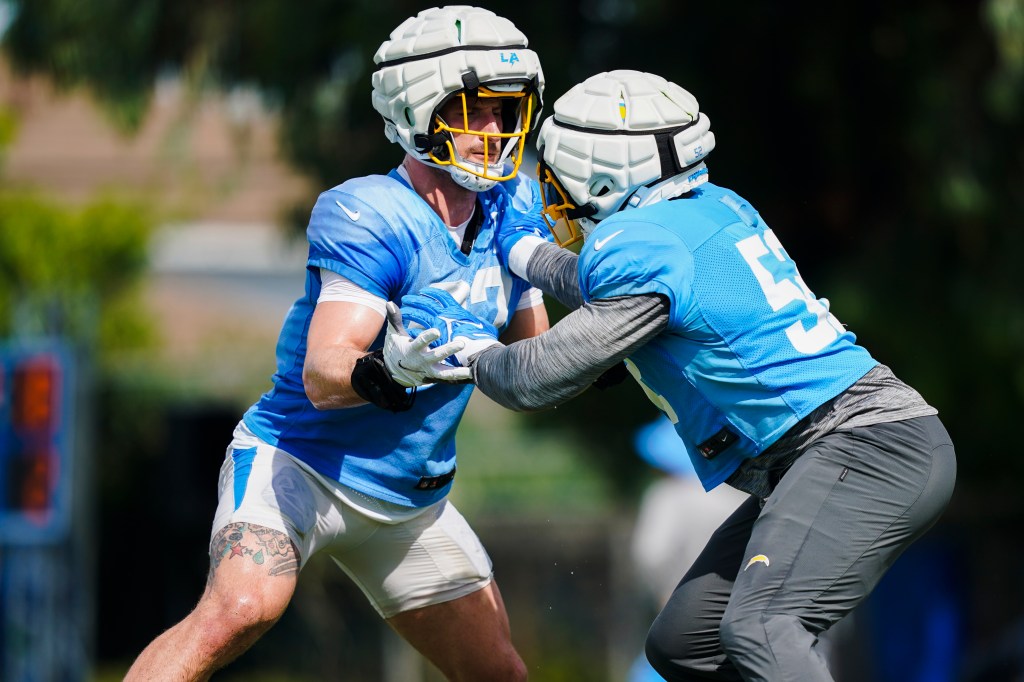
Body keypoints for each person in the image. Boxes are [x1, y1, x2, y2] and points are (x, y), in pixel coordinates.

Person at [384, 70, 957, 681]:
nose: (550, 195)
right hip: (854, 448)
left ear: (596, 172)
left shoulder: (644, 247)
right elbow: (602, 290)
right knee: (687, 641)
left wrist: (464, 354)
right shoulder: (705, 212)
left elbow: (535, 375)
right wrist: (520, 251)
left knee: (763, 627)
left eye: (555, 175)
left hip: (862, 447)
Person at [125, 6, 548, 681]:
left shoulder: (512, 205)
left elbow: (536, 366)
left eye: (507, 109)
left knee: (501, 674)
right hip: (303, 465)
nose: (496, 130)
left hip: (412, 498)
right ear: (419, 110)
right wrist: (390, 368)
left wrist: (614, 333)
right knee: (241, 606)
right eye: (476, 109)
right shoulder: (372, 210)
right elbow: (325, 374)